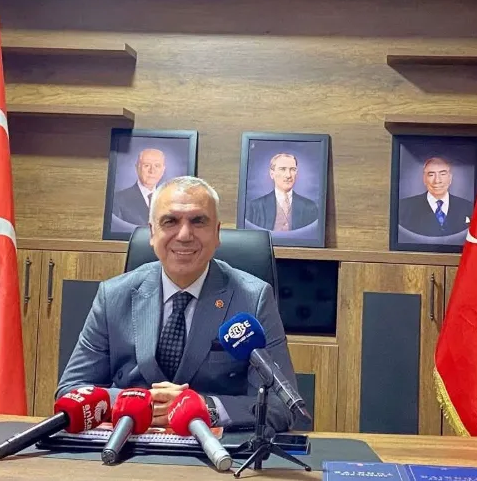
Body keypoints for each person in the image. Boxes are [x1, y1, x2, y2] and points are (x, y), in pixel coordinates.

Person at [59, 176, 299, 433]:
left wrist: (205, 407)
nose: (184, 235)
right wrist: (137, 402)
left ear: (217, 233)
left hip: (211, 450)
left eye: (198, 221)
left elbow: (281, 406)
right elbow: (71, 391)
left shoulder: (253, 298)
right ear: (152, 232)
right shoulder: (113, 296)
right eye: (170, 221)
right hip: (127, 445)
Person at [398, 156, 474, 237]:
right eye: (431, 175)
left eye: (443, 174)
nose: (437, 181)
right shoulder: (404, 207)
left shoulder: (468, 207)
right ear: (424, 179)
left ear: (450, 178)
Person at [245, 153, 318, 232]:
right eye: (282, 169)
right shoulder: (255, 207)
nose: (288, 175)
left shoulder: (310, 207)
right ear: (272, 174)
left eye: (292, 169)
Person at [112, 148, 165, 227]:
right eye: (146, 165)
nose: (152, 171)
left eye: (157, 166)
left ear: (163, 170)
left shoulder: (171, 199)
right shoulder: (118, 200)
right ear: (137, 168)